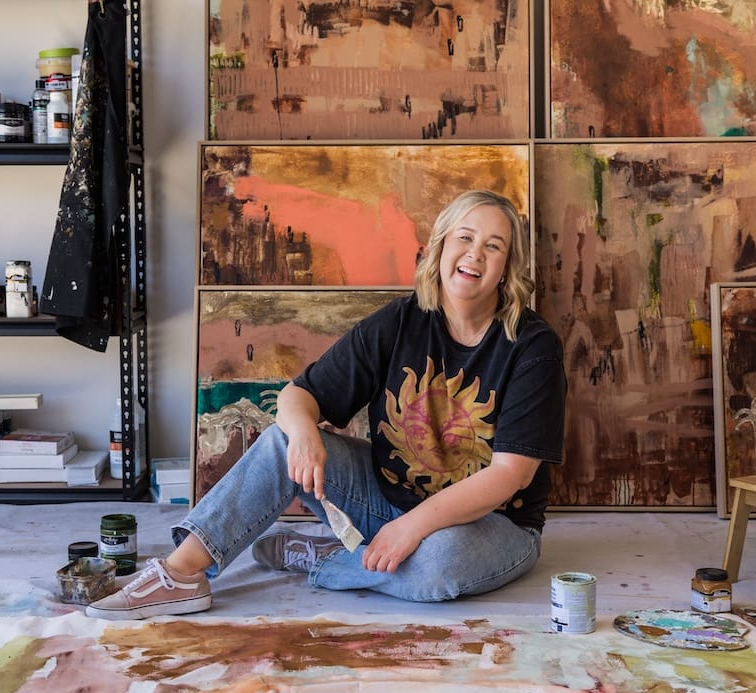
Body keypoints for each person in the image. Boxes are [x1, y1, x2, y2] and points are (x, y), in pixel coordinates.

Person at [87, 189, 567, 620]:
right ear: (441, 246)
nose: (475, 254)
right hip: (389, 502)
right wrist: (303, 434)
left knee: (439, 564)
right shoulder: (399, 323)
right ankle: (181, 573)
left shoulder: (532, 346)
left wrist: (412, 530)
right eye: (465, 237)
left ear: (508, 267)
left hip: (492, 526)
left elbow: (510, 475)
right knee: (281, 440)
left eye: (493, 246)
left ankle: (324, 558)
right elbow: (298, 396)